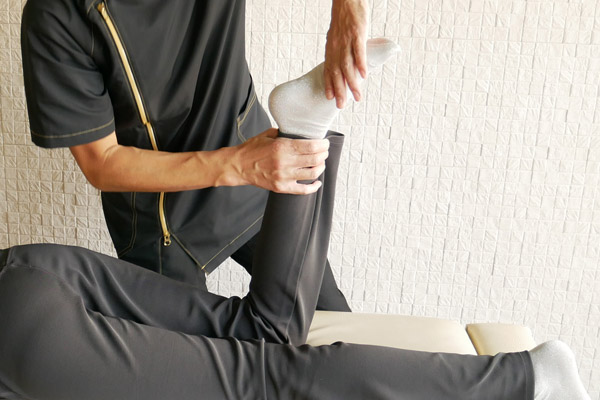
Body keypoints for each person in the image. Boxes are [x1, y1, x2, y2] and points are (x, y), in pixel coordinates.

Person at [0, 130, 590, 400]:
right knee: (258, 334)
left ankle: (527, 381)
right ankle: (307, 128)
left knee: (270, 381)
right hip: (30, 268)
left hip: (19, 332)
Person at [20, 0, 371, 311]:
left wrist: (349, 9)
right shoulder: (55, 15)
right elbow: (102, 162)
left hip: (255, 172)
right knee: (190, 360)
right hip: (162, 217)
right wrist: (240, 164)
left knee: (333, 328)